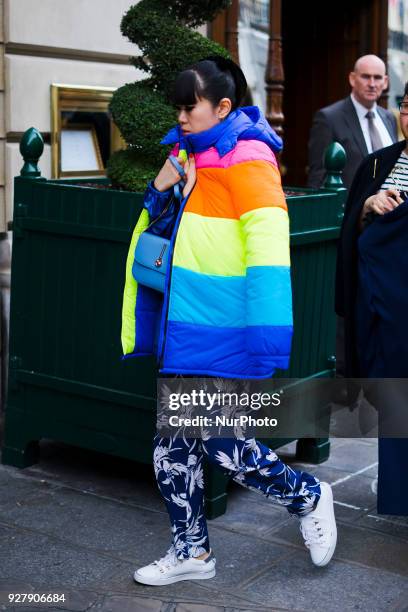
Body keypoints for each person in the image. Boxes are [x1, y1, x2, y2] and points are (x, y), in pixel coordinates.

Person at [121, 56, 337, 586]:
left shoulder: (250, 157)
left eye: (188, 106)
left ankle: (308, 496)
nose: (181, 116)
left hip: (223, 326)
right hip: (185, 322)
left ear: (222, 106)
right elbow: (156, 223)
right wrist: (166, 180)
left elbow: (268, 250)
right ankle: (192, 553)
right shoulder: (187, 152)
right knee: (172, 445)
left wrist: (265, 338)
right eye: (177, 106)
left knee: (221, 441)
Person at [335, 81, 408, 516]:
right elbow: (351, 225)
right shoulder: (379, 164)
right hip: (383, 309)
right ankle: (398, 491)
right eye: (406, 106)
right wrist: (368, 207)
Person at [308, 54, 398, 191]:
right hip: (350, 210)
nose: (372, 84)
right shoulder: (328, 118)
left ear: (385, 82)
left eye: (378, 77)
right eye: (366, 76)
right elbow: (318, 177)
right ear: (352, 79)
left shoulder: (389, 118)